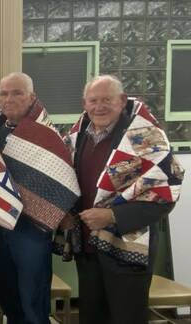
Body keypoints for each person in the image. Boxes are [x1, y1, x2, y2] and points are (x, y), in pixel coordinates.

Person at [61, 74, 183, 324]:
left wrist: (113, 216)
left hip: (127, 249)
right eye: (93, 100)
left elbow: (166, 191)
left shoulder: (146, 137)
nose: (99, 106)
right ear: (84, 103)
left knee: (127, 317)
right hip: (88, 246)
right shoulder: (77, 136)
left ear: (122, 100)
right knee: (92, 317)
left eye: (107, 99)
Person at [0, 72, 79, 324]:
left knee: (32, 294)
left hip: (31, 226)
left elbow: (62, 179)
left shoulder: (46, 134)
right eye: (4, 93)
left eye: (17, 93)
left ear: (32, 97)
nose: (9, 99)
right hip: (0, 221)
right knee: (7, 290)